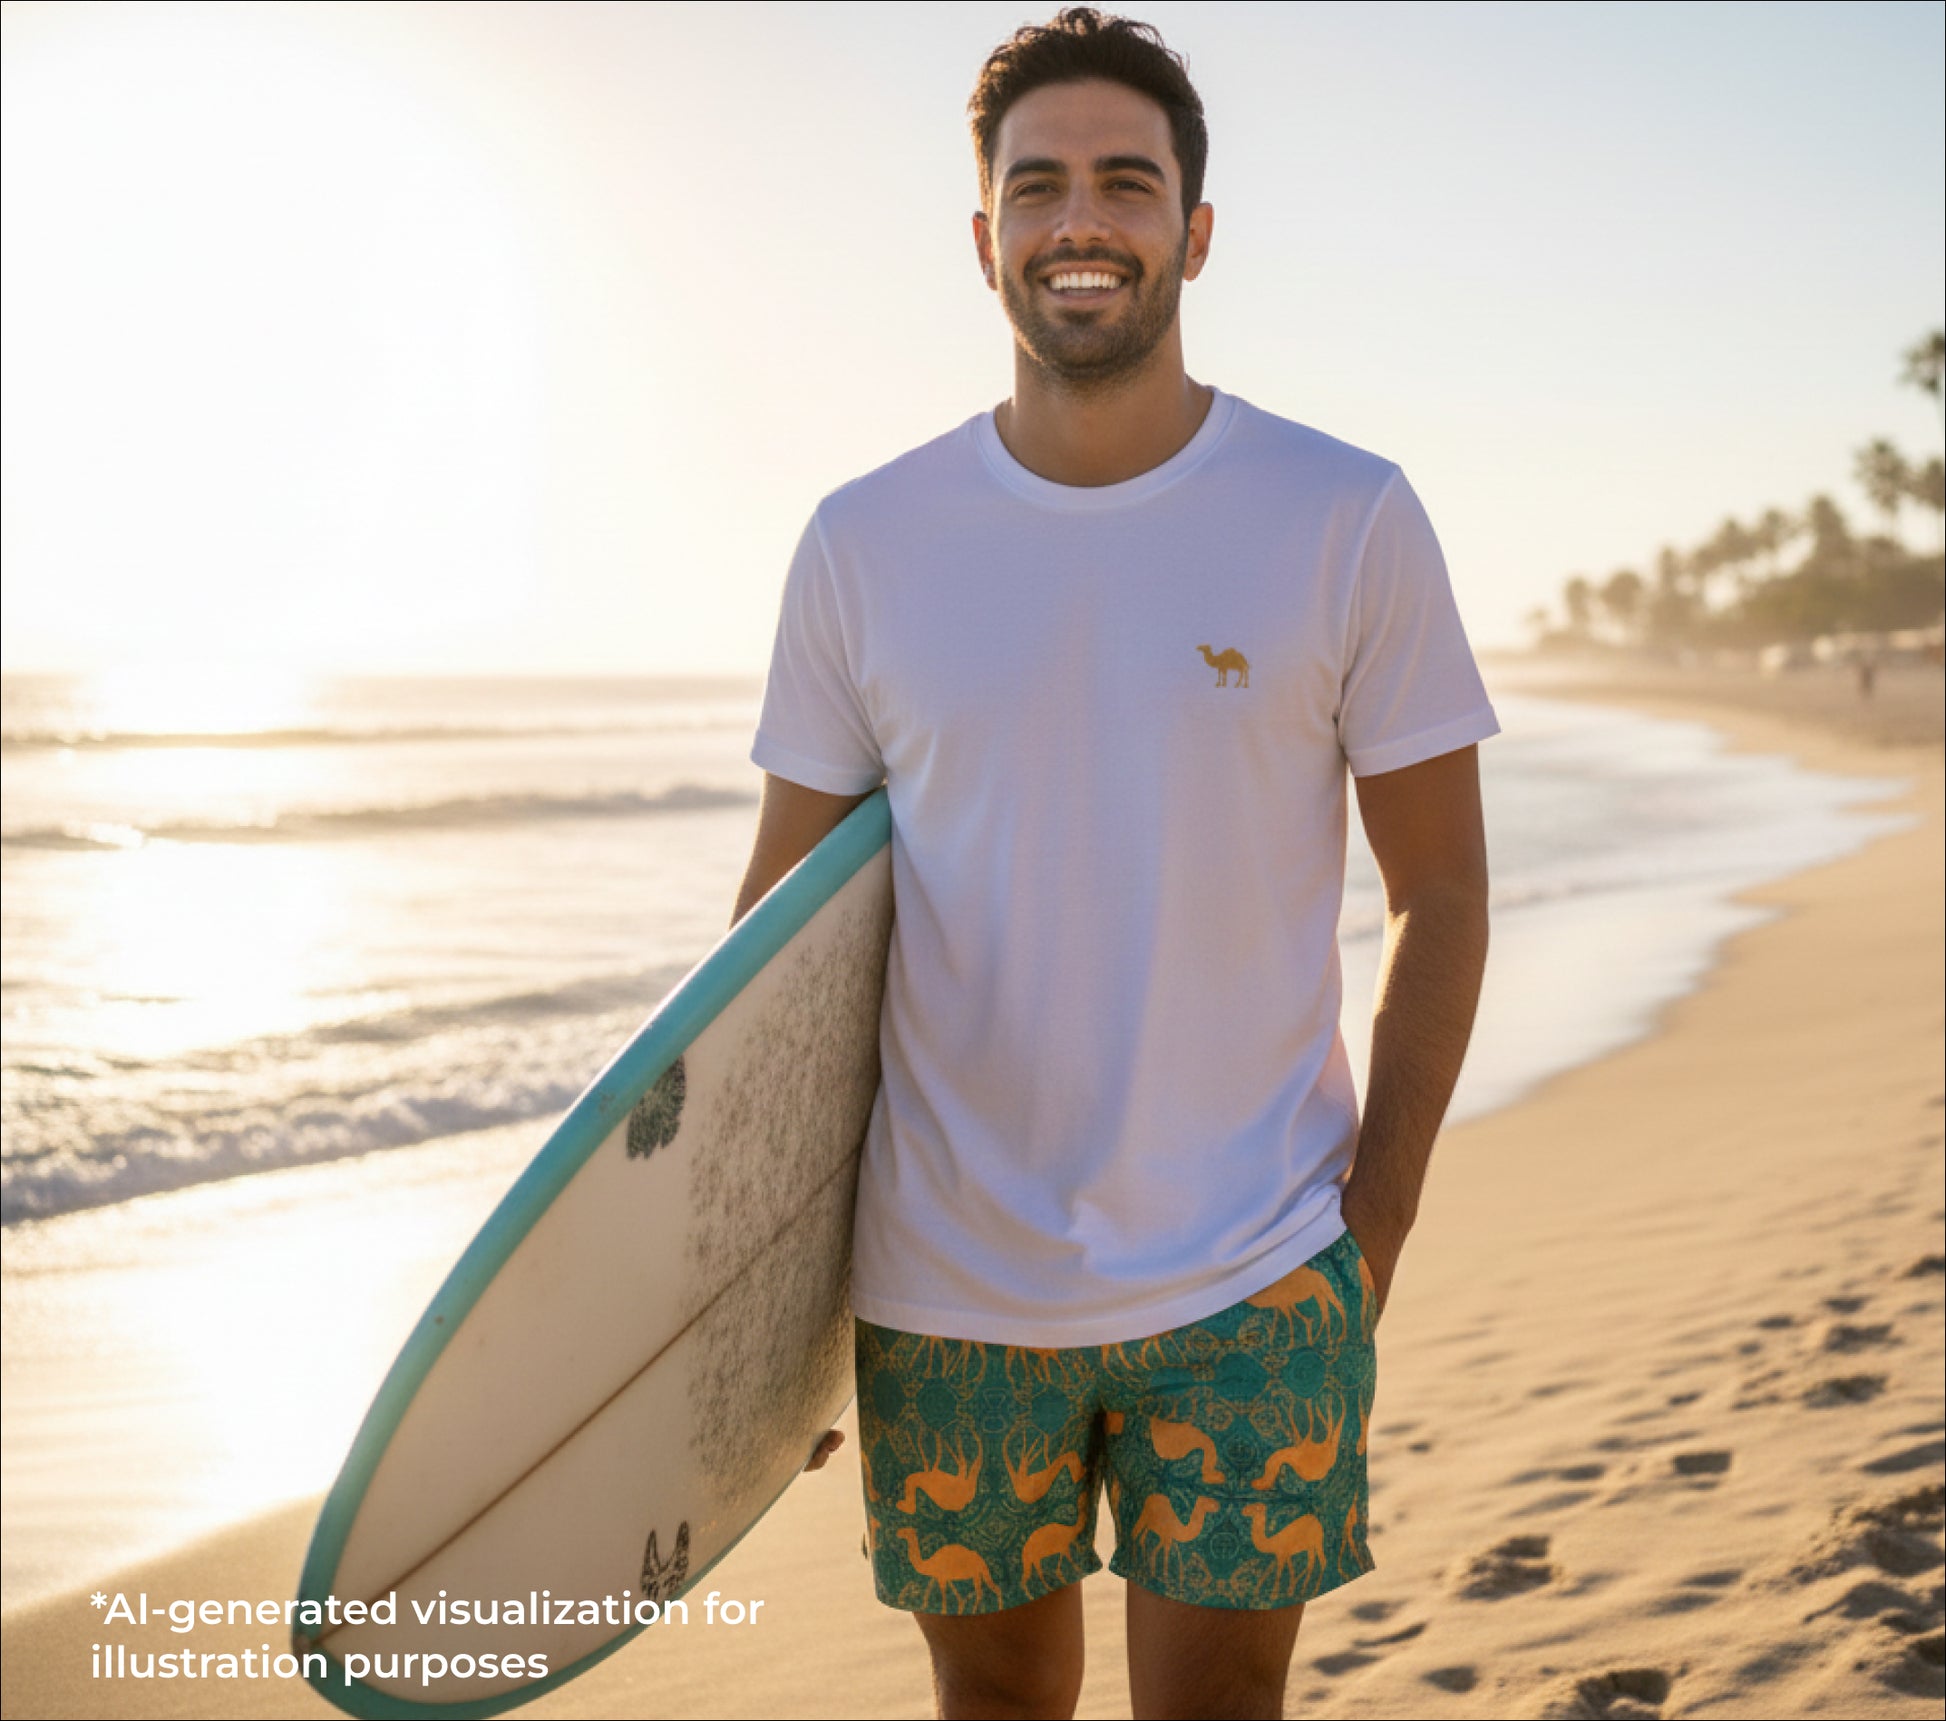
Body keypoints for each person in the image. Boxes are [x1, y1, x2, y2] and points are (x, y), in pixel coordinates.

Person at [733, 10, 1497, 1716]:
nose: (1082, 218)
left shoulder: (1342, 514)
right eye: (1041, 184)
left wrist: (1370, 1222)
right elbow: (776, 948)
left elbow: (1437, 887)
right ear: (985, 234)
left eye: (1125, 182)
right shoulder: (865, 543)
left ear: (1194, 232)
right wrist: (749, 1327)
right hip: (942, 1288)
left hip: (1253, 1270)